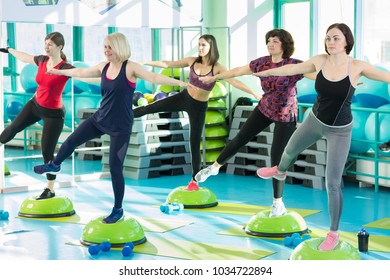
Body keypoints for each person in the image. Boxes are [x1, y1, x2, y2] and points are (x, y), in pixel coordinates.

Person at [255, 23, 390, 251]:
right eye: (328, 38)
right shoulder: (320, 60)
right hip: (314, 120)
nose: (331, 42)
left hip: (340, 130)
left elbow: (387, 77)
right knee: (289, 151)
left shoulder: (357, 66)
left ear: (346, 41)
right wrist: (269, 71)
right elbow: (292, 69)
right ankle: (280, 170)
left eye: (336, 38)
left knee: (333, 184)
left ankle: (333, 233)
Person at [33, 32, 189, 224]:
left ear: (119, 48)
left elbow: (155, 78)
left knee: (116, 168)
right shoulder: (103, 67)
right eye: (105, 47)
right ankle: (55, 165)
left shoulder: (130, 67)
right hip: (100, 118)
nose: (106, 51)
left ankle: (117, 209)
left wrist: (181, 83)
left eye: (109, 47)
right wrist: (58, 72)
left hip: (121, 126)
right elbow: (80, 72)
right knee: (71, 140)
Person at [195, 29, 309, 218]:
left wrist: (343, 81)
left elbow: (317, 75)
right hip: (265, 107)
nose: (270, 44)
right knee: (240, 137)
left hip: (286, 113)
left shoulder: (294, 64)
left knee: (277, 158)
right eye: (268, 41)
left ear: (284, 44)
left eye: (275, 41)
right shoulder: (262, 63)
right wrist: (214, 77)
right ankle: (214, 168)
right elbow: (238, 70)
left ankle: (277, 203)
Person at [134, 34, 260, 190]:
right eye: (199, 45)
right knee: (151, 107)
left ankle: (194, 181)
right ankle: (122, 116)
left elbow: (234, 81)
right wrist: (145, 62)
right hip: (183, 97)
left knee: (194, 142)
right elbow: (167, 64)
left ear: (211, 47)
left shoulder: (217, 67)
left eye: (204, 45)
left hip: (199, 107)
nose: (200, 48)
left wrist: (253, 93)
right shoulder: (191, 61)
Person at [0, 32, 75, 200]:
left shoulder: (65, 68)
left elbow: (85, 73)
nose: (46, 47)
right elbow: (25, 57)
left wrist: (109, 74)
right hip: (35, 105)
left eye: (50, 44)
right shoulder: (42, 60)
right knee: (12, 129)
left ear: (59, 47)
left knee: (47, 151)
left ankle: (50, 188)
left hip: (54, 114)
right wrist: (9, 49)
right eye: (45, 43)